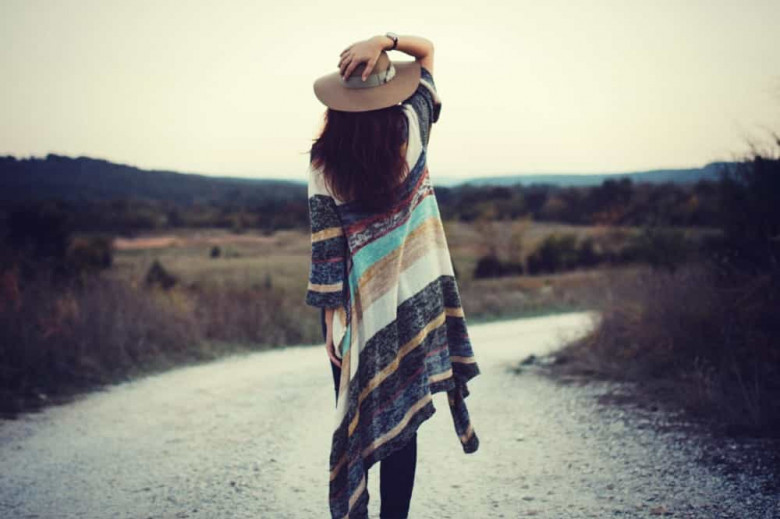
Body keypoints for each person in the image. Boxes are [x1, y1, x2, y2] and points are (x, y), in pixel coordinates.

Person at [305, 33, 480, 519]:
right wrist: (385, 39)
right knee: (404, 423)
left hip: (355, 315)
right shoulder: (412, 126)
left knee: (361, 416)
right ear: (388, 90)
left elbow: (326, 247)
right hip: (415, 306)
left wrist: (330, 321)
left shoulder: (323, 160)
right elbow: (426, 53)